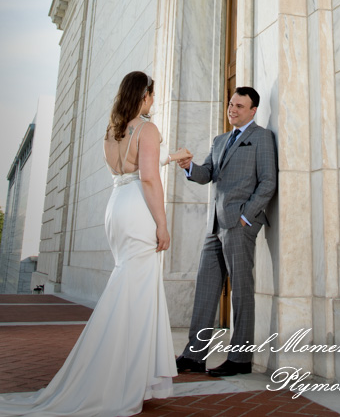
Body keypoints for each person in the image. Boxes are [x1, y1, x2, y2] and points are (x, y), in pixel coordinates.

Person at [0, 71, 190, 417]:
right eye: (151, 94)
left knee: (128, 287)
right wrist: (162, 224)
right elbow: (147, 178)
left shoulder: (112, 130)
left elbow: (131, 169)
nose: (152, 100)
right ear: (143, 95)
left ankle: (128, 375)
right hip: (137, 209)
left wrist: (169, 157)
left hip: (116, 208)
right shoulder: (147, 128)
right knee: (135, 294)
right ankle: (118, 376)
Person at [175, 86, 277, 377]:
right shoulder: (219, 140)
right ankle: (194, 355)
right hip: (215, 226)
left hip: (240, 225)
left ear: (253, 111)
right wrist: (189, 167)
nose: (233, 109)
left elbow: (268, 182)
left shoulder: (262, 138)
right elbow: (208, 173)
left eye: (240, 106)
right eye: (231, 104)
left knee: (241, 292)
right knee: (206, 289)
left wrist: (246, 216)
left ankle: (240, 359)